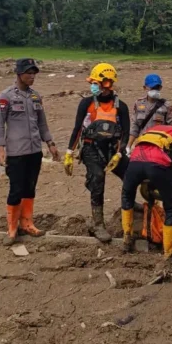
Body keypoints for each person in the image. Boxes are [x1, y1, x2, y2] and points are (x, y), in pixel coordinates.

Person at [0, 58, 60, 245]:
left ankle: (27, 223)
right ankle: (12, 228)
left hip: (34, 151)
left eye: (34, 73)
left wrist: (50, 143)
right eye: (28, 73)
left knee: (30, 188)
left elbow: (42, 123)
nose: (32, 77)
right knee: (16, 190)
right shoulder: (6, 97)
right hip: (16, 152)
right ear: (18, 74)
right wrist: (0, 149)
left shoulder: (35, 97)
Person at [63, 63, 130, 243]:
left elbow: (125, 133)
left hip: (111, 150)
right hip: (91, 148)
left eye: (95, 82)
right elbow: (78, 129)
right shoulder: (86, 103)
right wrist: (69, 152)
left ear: (106, 83)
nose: (92, 85)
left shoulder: (121, 107)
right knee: (98, 178)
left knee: (131, 174)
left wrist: (119, 153)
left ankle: (129, 210)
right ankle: (98, 223)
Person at [120, 122, 172, 257]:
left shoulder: (152, 131)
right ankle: (168, 252)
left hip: (134, 163)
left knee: (127, 197)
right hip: (159, 166)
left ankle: (127, 237)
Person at [128, 74, 172, 149]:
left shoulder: (166, 106)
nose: (155, 90)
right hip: (141, 144)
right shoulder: (139, 103)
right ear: (145, 88)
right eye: (152, 87)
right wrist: (128, 146)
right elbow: (135, 126)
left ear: (160, 88)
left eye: (157, 87)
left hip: (159, 146)